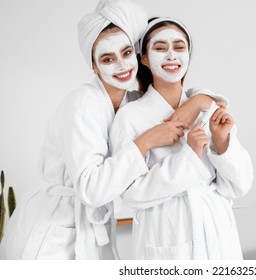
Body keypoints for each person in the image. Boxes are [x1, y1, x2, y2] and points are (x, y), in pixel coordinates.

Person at [0, 0, 226, 260]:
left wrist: (199, 101)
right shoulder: (83, 103)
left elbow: (189, 96)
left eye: (126, 52)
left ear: (137, 55)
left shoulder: (130, 101)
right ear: (94, 66)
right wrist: (145, 142)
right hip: (49, 232)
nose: (121, 65)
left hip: (92, 228)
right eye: (108, 58)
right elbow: (90, 188)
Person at [109, 17, 254, 260]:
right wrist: (190, 156)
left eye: (179, 47)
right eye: (160, 47)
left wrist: (222, 143)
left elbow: (239, 186)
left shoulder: (208, 109)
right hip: (167, 231)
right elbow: (131, 193)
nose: (171, 55)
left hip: (216, 230)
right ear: (143, 58)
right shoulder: (130, 117)